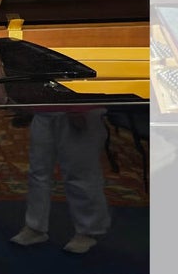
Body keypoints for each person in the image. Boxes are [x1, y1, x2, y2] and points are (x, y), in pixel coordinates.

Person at [9, 109, 111, 254]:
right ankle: (34, 227)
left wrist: (80, 110)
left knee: (79, 173)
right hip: (44, 110)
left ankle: (88, 231)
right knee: (38, 171)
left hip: (81, 111)